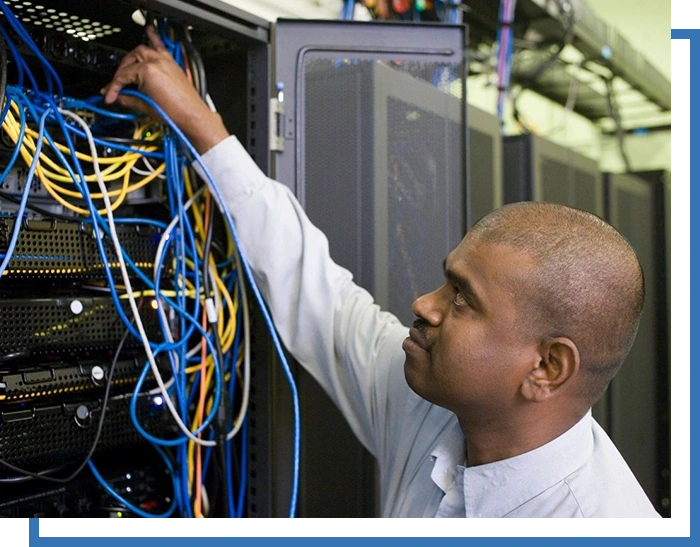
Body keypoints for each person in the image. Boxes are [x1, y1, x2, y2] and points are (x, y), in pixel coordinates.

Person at [101, 26, 662, 520]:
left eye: (463, 299)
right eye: (448, 281)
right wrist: (199, 124)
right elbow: (316, 290)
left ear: (547, 366)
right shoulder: (429, 408)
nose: (424, 304)